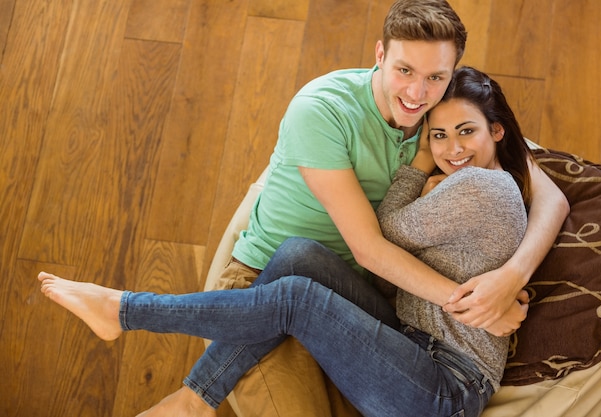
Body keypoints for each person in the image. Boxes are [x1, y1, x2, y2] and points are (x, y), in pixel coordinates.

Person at [39, 65, 540, 417]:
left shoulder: (482, 187)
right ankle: (195, 400)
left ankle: (125, 311)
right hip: (411, 343)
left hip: (443, 392)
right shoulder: (479, 182)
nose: (452, 149)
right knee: (300, 255)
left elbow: (385, 227)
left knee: (297, 299)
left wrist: (421, 166)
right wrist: (428, 171)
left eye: (466, 132)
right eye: (438, 135)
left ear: (497, 132)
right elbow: (394, 224)